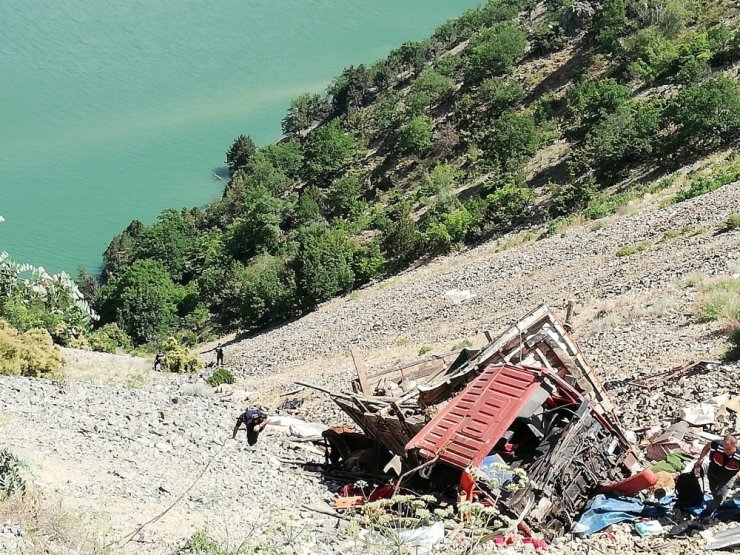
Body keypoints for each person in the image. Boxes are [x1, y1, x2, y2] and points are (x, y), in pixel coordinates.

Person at [694, 434, 740, 517]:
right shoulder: (718, 445)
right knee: (715, 493)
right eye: (724, 448)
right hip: (713, 473)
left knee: (719, 496)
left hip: (727, 477)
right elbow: (708, 446)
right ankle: (717, 505)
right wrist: (700, 459)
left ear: (735, 446)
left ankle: (705, 514)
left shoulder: (739, 455)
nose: (726, 451)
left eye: (729, 449)